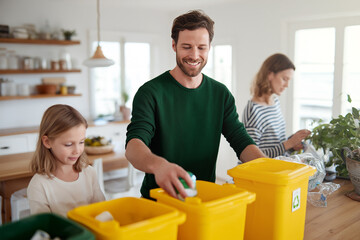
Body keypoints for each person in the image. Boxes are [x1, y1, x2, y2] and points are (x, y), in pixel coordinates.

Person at [125, 10, 265, 200]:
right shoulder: (150, 92)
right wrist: (159, 166)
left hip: (203, 198)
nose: (194, 55)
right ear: (174, 45)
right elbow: (134, 146)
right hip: (158, 200)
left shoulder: (220, 94)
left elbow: (240, 140)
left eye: (201, 47)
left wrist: (267, 168)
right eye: (186, 47)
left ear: (209, 48)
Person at [27, 104, 105, 217]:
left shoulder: (89, 173)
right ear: (47, 142)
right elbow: (44, 227)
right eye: (68, 144)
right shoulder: (39, 185)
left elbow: (102, 211)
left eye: (82, 142)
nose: (77, 150)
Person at [242, 53, 310, 158]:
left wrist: (292, 145)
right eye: (284, 79)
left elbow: (275, 144)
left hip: (275, 169)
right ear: (270, 75)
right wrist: (289, 143)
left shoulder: (275, 102)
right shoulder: (253, 110)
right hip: (260, 173)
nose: (287, 85)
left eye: (289, 80)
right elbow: (251, 156)